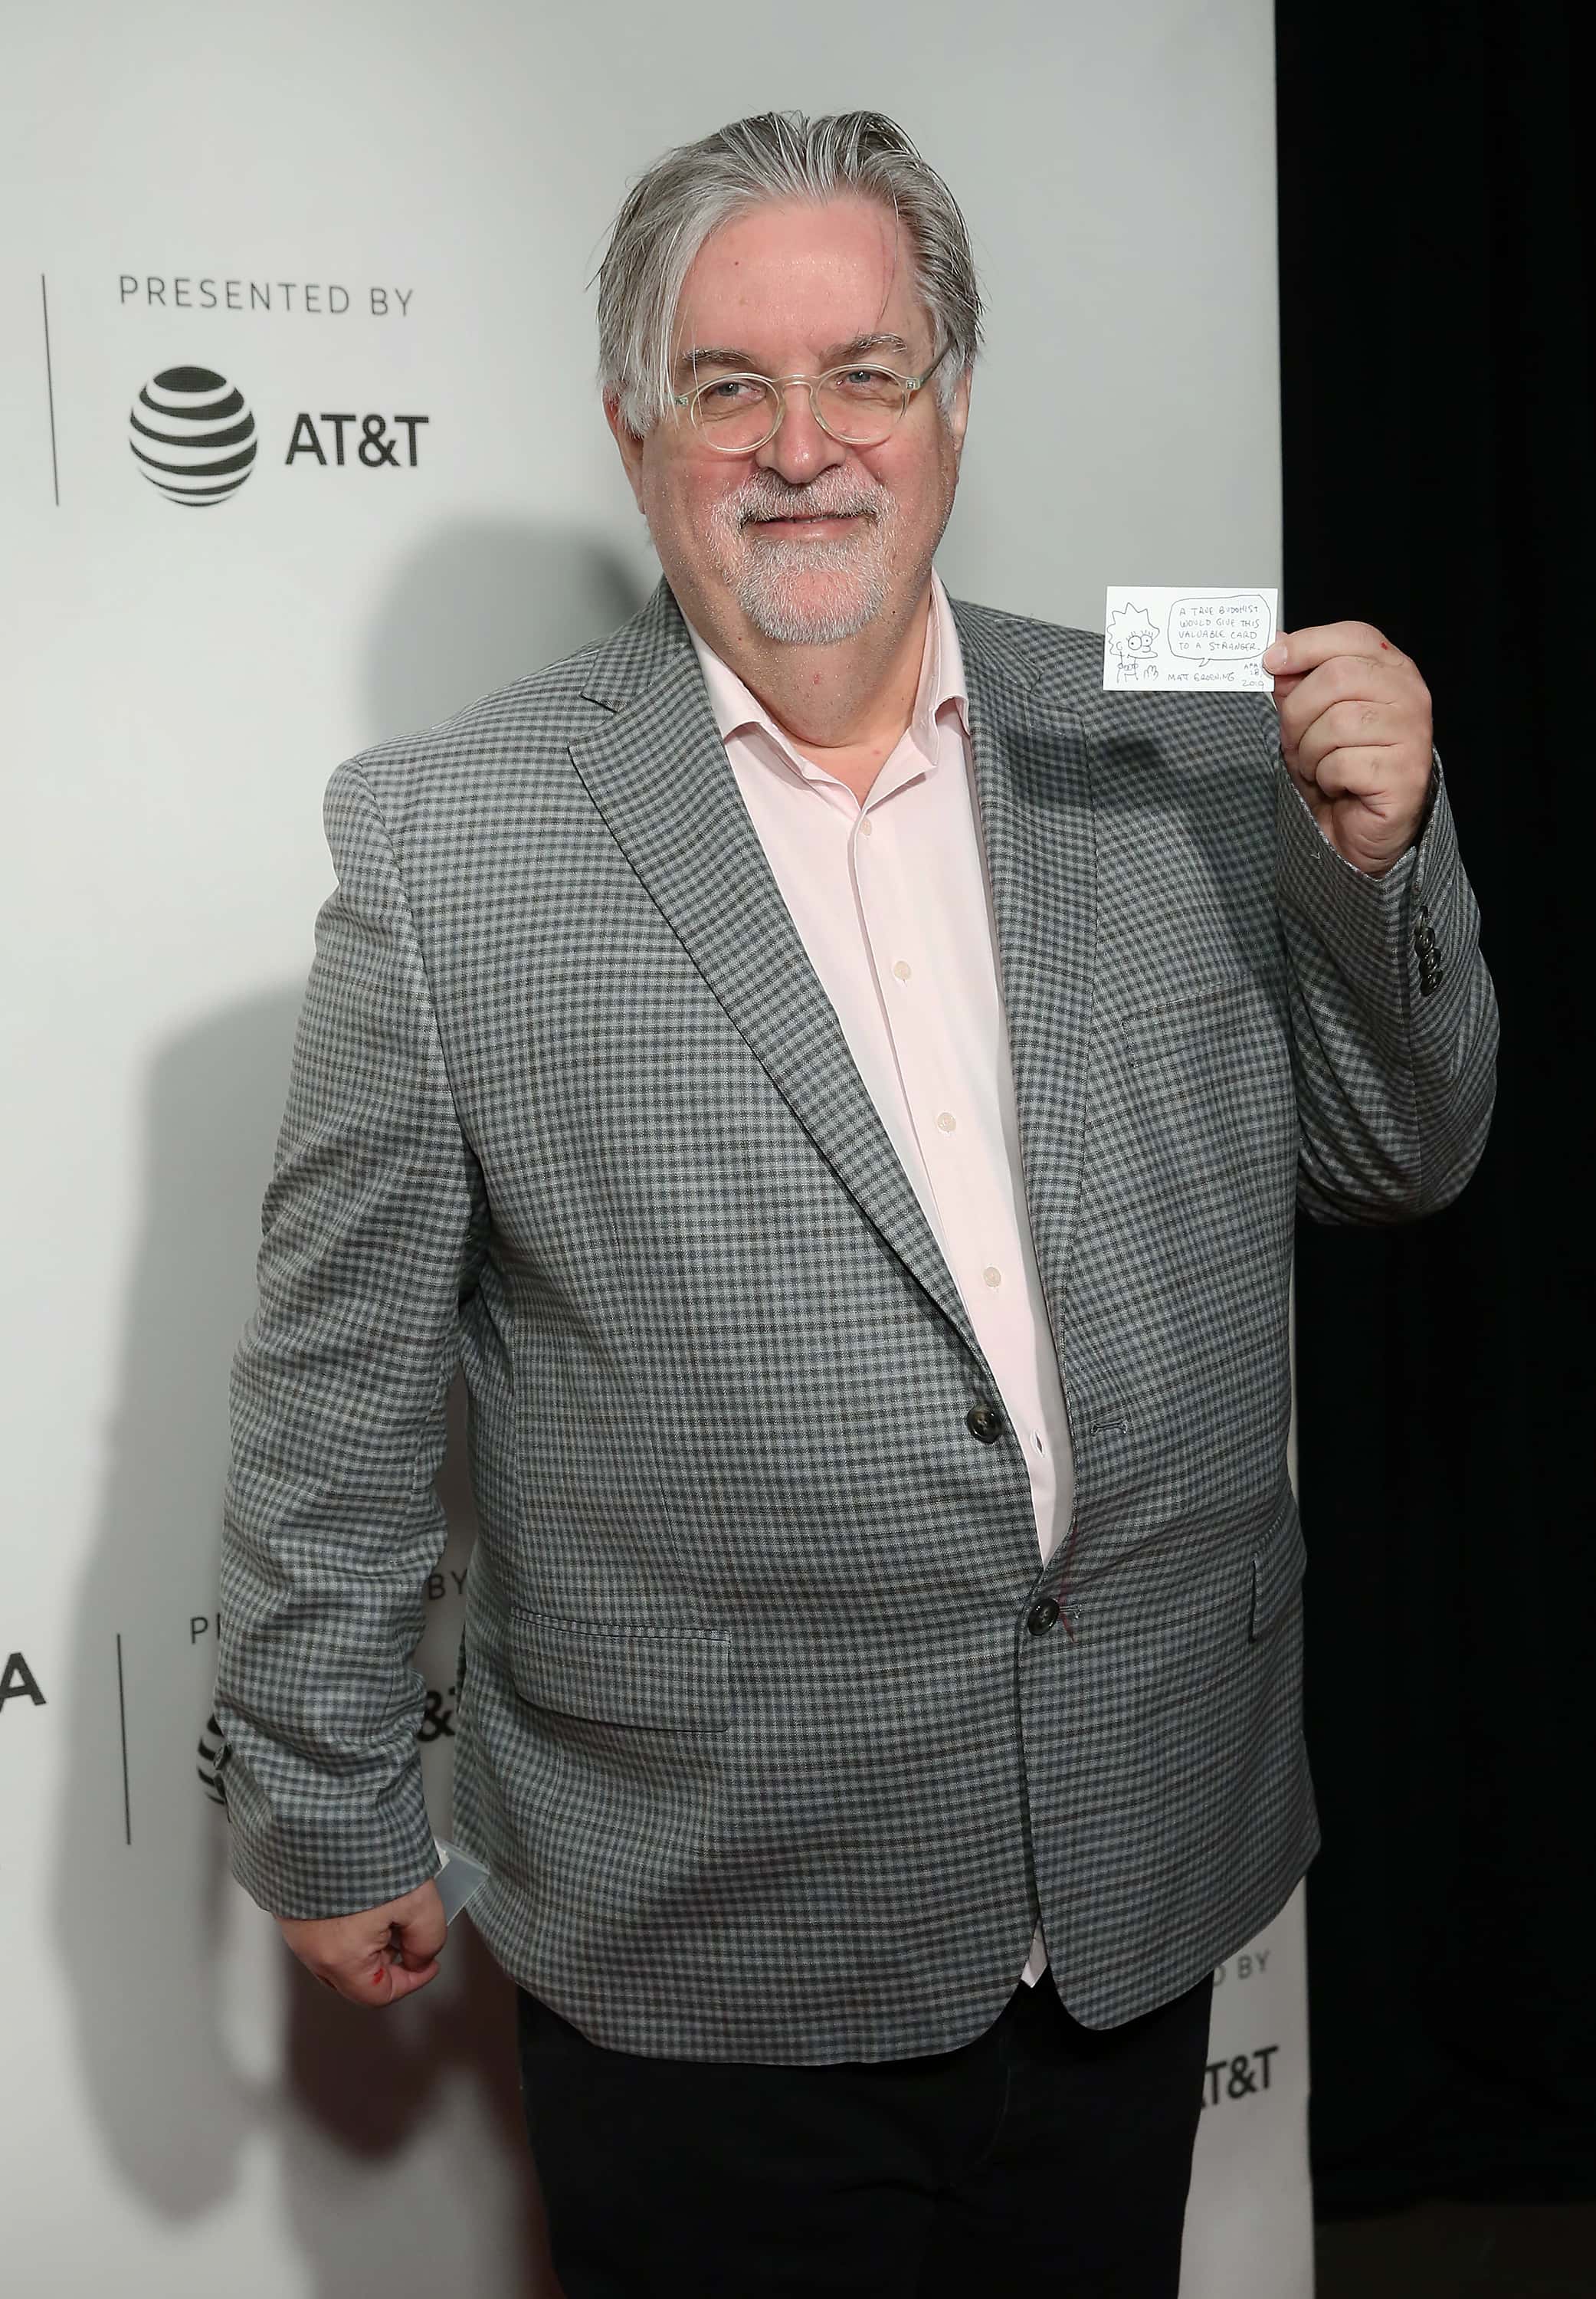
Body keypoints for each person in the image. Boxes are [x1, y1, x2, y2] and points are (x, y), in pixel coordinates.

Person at [210, 108, 1498, 2297]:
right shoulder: (450, 839)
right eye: (730, 386)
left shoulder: (1185, 735)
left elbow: (1396, 1157)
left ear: (953, 407)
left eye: (865, 375)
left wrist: (1380, 866)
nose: (801, 447)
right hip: (710, 1929)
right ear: (634, 432)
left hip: (1131, 1864)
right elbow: (339, 1388)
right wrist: (327, 1793)